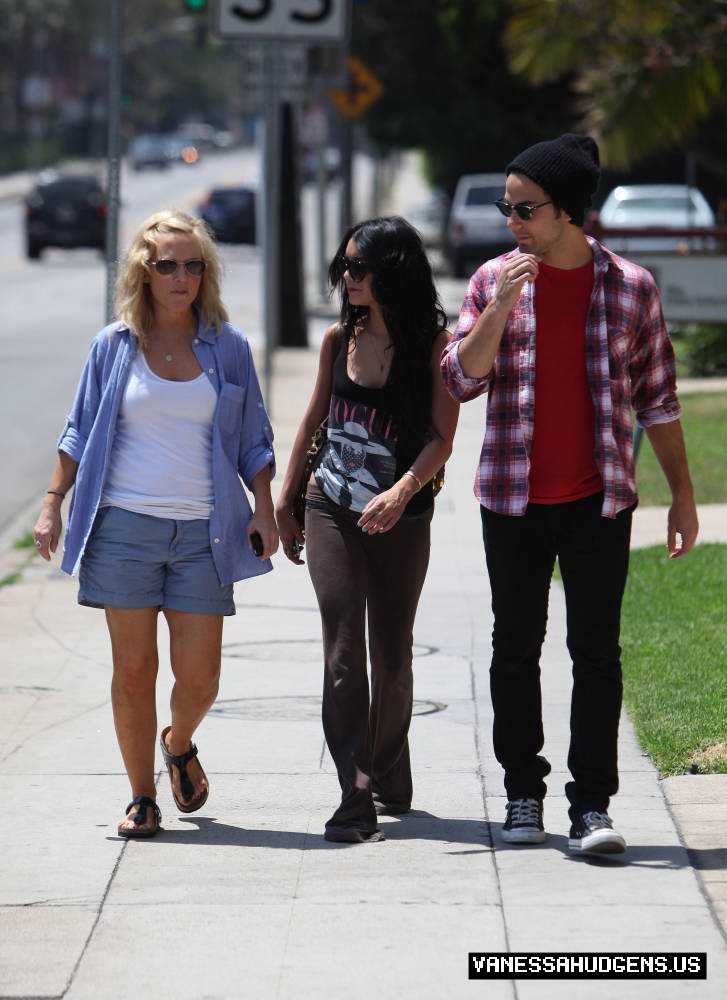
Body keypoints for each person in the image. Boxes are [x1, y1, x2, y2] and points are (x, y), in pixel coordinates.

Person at [441, 134, 699, 856]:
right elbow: (459, 380)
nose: (511, 221)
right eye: (506, 207)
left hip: (598, 499)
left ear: (569, 212)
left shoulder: (630, 288)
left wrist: (681, 495)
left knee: (595, 651)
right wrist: (501, 306)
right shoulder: (493, 280)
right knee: (513, 648)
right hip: (512, 498)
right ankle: (522, 793)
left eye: (525, 208)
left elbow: (658, 400)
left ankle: (591, 807)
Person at [33, 209, 278, 839]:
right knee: (133, 671)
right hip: (123, 528)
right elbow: (78, 431)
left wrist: (265, 508)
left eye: (193, 265)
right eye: (168, 264)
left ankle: (178, 739)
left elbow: (254, 438)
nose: (181, 277)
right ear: (145, 270)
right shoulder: (113, 346)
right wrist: (52, 501)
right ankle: (142, 796)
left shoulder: (227, 347)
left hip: (205, 532)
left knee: (200, 679)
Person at [275, 216, 459, 843]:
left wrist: (402, 489)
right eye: (344, 267)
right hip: (331, 505)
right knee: (343, 652)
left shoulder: (435, 347)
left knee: (393, 653)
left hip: (401, 519)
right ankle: (354, 795)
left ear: (393, 274)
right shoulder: (339, 338)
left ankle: (388, 766)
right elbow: (312, 422)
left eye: (359, 268)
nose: (347, 278)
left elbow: (440, 438)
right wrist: (287, 498)